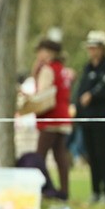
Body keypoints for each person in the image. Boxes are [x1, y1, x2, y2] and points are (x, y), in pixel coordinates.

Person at [19, 39, 72, 200]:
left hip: (50, 118)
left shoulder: (47, 70)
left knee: (39, 156)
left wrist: (28, 95)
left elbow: (43, 95)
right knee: (60, 155)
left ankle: (43, 188)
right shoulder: (62, 69)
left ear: (48, 52)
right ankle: (64, 191)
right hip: (63, 116)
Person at [75, 30, 105, 204]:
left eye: (94, 48)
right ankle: (95, 191)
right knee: (91, 156)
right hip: (87, 120)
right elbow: (80, 91)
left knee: (102, 155)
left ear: (102, 49)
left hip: (102, 119)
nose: (91, 51)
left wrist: (93, 96)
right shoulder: (87, 68)